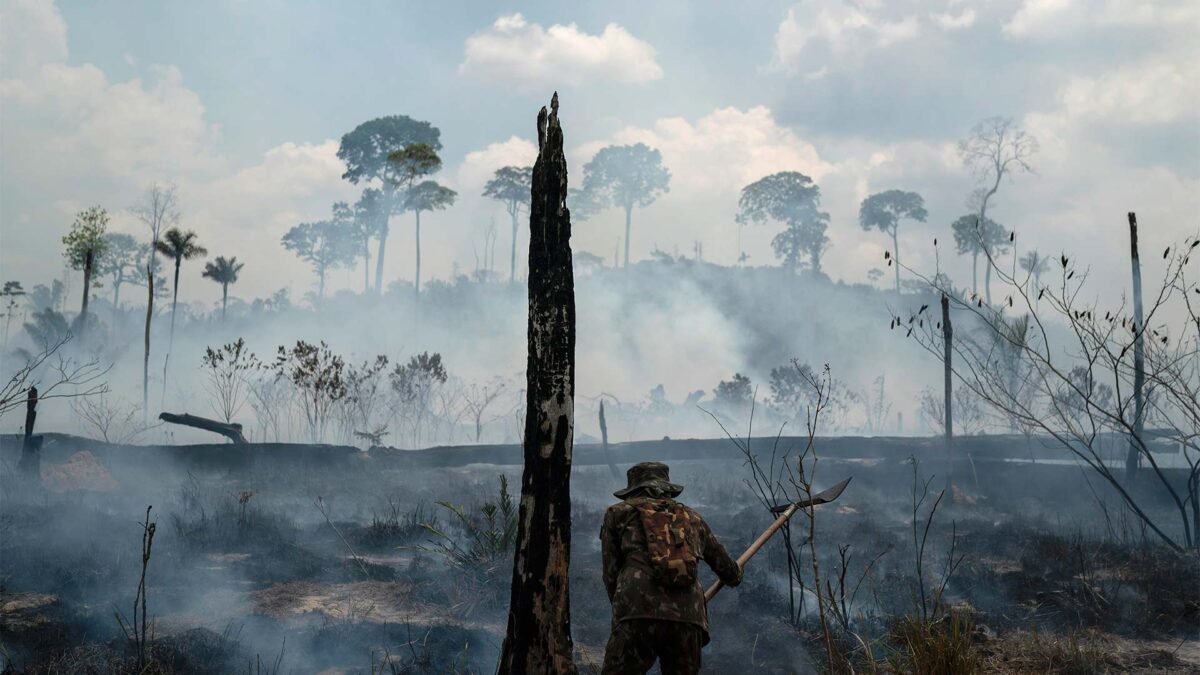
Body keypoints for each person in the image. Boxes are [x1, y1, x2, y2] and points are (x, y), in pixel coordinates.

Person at [600, 461, 743, 675]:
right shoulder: (693, 518)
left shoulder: (617, 513)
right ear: (667, 488)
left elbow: (611, 572)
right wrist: (736, 574)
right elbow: (729, 572)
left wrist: (624, 609)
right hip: (688, 618)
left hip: (637, 612)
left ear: (634, 488)